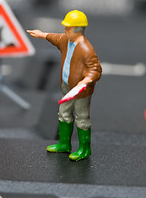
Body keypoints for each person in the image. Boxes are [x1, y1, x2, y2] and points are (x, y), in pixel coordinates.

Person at [27, 10, 102, 161]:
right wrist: (42, 34)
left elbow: (96, 70)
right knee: (64, 113)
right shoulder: (66, 41)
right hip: (67, 86)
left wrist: (85, 81)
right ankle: (64, 144)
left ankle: (84, 149)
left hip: (81, 91)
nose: (64, 30)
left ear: (78, 29)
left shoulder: (86, 49)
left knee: (82, 118)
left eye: (68, 27)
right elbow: (54, 37)